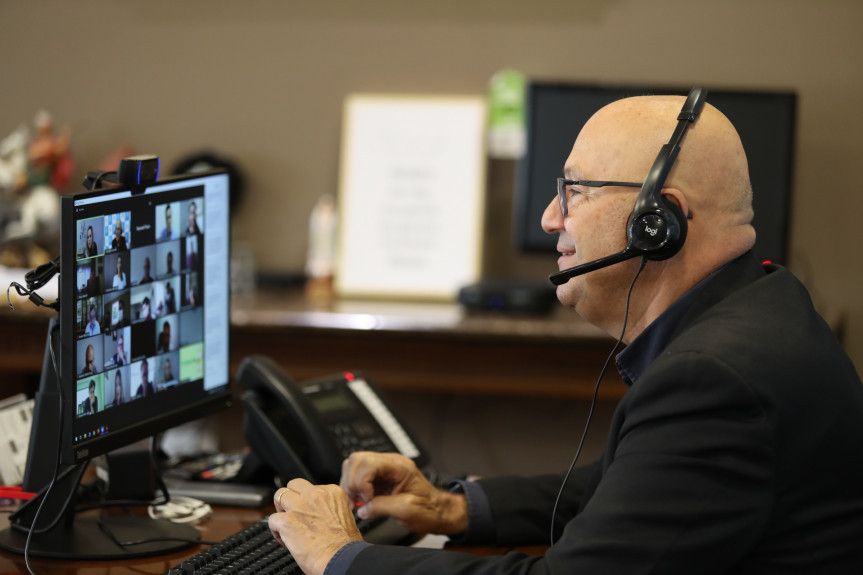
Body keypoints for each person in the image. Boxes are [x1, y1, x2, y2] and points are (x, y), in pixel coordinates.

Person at [267, 94, 863, 574]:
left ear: (659, 221)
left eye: (575, 191)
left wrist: (338, 557)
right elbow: (631, 490)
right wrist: (452, 507)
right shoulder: (766, 304)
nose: (552, 217)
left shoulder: (714, 377)